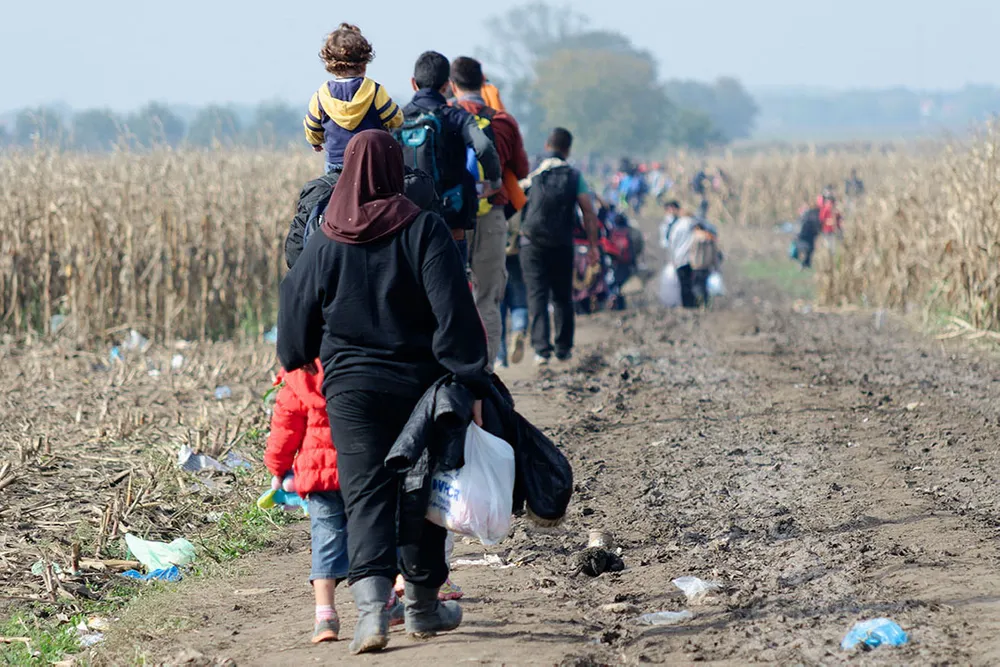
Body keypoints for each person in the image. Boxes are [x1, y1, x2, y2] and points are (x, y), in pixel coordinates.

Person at [277, 130, 491, 654]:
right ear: (396, 171)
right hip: (419, 387)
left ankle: (372, 614)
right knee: (423, 490)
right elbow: (454, 312)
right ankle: (420, 605)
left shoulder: (326, 239)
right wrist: (470, 377)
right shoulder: (424, 230)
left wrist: (300, 355)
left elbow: (293, 309)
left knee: (365, 493)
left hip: (349, 392)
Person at [263, 364, 403, 644]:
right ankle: (386, 602)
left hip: (317, 474)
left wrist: (277, 468)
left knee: (325, 540)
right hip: (360, 468)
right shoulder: (357, 361)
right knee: (369, 537)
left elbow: (285, 427)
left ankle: (325, 616)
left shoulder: (298, 374)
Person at [450, 56, 531, 369]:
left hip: (454, 218)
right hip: (493, 215)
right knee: (488, 298)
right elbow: (522, 169)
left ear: (452, 84)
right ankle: (485, 375)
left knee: (454, 297)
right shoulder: (503, 122)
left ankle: (457, 372)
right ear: (483, 82)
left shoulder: (444, 118)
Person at [399, 51, 501, 266]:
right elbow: (483, 147)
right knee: (454, 287)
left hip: (408, 218)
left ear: (413, 83)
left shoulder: (398, 118)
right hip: (451, 216)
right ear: (447, 85)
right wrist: (494, 181)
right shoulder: (456, 117)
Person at [519, 128, 601, 365]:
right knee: (562, 296)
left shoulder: (534, 171)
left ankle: (541, 350)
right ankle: (563, 348)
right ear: (567, 149)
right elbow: (588, 211)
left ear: (547, 146)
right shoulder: (575, 176)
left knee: (537, 294)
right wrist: (593, 245)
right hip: (562, 243)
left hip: (531, 243)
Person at [303, 24, 403, 174]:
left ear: (329, 63)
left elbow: (312, 129)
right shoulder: (374, 91)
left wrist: (315, 142)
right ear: (364, 64)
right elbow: (396, 119)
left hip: (336, 162)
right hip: (372, 160)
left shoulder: (321, 95)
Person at [795, 201, 822, 269]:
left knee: (806, 250)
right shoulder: (813, 214)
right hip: (807, 235)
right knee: (807, 250)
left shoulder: (809, 214)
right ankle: (805, 264)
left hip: (805, 235)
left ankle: (805, 264)